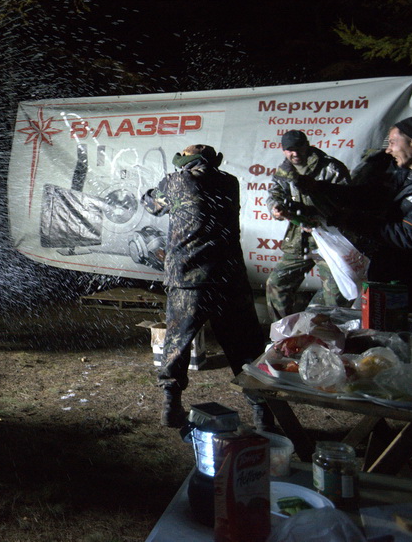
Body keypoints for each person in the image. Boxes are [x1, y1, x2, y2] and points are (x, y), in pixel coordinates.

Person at [141, 145, 267, 428]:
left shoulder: (177, 181)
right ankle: (263, 414)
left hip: (189, 280)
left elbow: (153, 205)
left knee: (177, 344)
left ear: (186, 162)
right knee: (245, 347)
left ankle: (171, 406)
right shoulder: (230, 182)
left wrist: (148, 194)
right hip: (229, 278)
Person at [315, 116, 412, 314]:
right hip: (387, 272)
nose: (388, 150)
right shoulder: (402, 174)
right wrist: (320, 189)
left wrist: (349, 220)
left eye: (392, 143)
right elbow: (367, 197)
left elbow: (407, 235)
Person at [264, 130, 351, 321]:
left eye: (299, 148)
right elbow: (275, 194)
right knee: (277, 284)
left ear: (307, 145)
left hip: (330, 239)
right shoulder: (285, 170)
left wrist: (320, 211)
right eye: (290, 150)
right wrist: (275, 208)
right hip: (300, 239)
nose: (295, 153)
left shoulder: (330, 167)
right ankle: (283, 332)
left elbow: (348, 201)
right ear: (283, 150)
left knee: (336, 295)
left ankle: (333, 335)